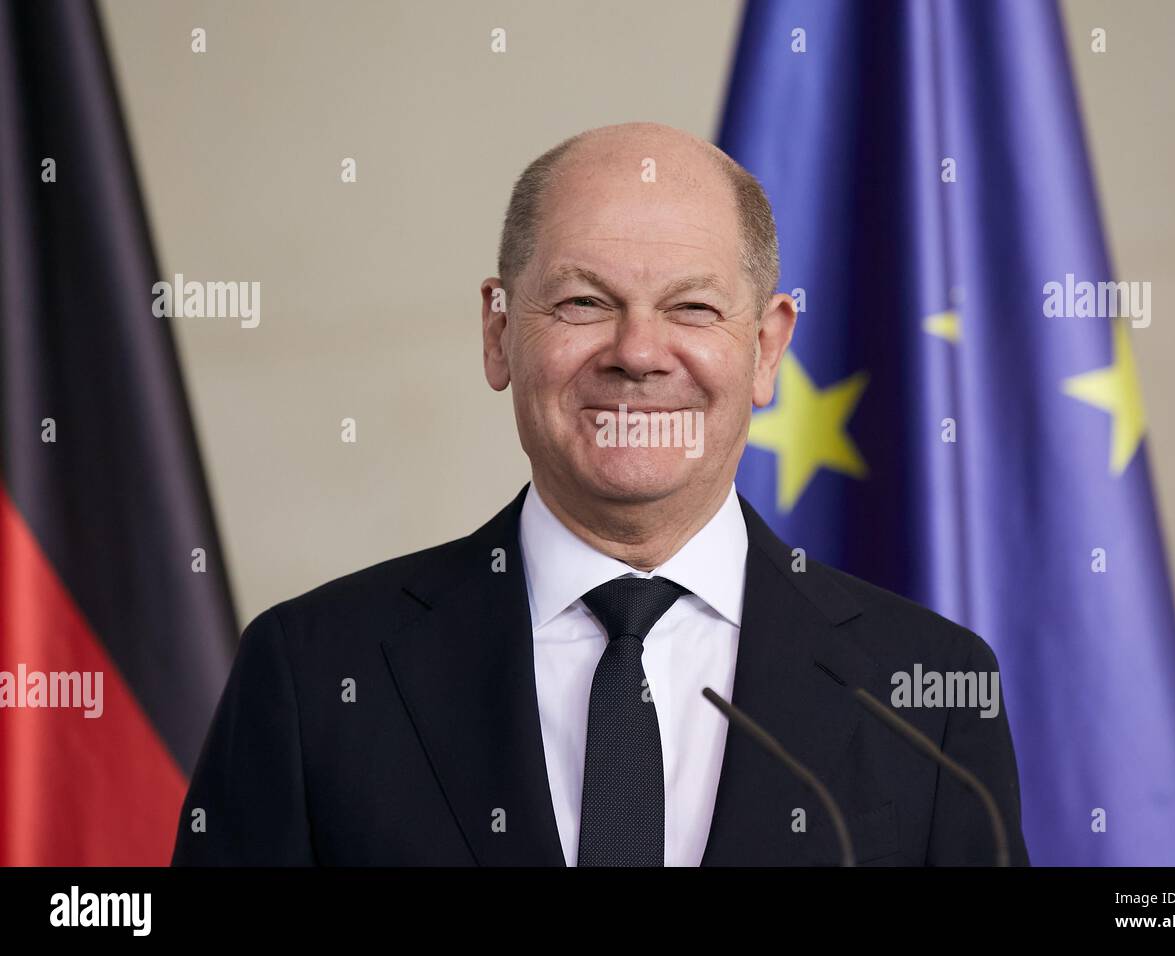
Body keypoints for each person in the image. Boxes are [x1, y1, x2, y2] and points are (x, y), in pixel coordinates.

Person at [172, 122, 1030, 866]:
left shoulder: (931, 688)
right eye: (585, 302)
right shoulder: (312, 675)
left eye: (692, 308)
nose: (639, 351)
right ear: (500, 329)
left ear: (767, 349)